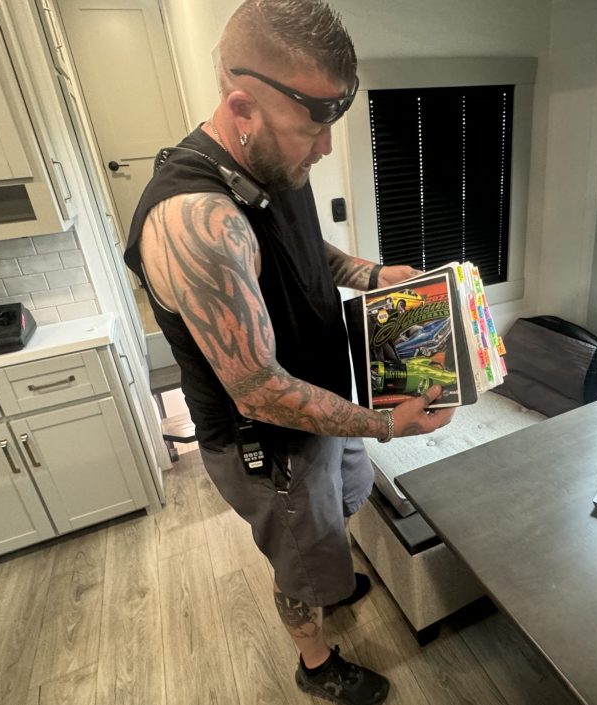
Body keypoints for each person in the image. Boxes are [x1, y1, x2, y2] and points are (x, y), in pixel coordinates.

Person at [123, 1, 454, 703]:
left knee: (340, 511)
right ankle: (316, 660)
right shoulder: (197, 222)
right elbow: (261, 391)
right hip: (270, 440)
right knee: (300, 562)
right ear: (243, 106)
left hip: (323, 407)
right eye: (314, 127)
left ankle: (327, 574)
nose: (326, 148)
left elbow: (300, 249)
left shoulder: (272, 160)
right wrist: (389, 424)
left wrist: (366, 273)